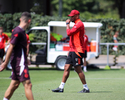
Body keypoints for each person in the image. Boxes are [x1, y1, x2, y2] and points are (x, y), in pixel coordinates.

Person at [52, 10, 90, 93]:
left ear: (77, 16)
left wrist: (67, 25)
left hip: (77, 50)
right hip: (73, 50)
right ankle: (61, 87)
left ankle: (86, 88)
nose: (70, 18)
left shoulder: (79, 24)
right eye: (70, 16)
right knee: (66, 67)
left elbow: (69, 33)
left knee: (78, 69)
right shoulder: (76, 24)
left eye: (72, 16)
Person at [0, 12, 34, 100]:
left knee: (14, 85)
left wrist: (26, 59)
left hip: (20, 62)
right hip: (19, 63)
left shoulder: (22, 31)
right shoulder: (18, 31)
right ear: (29, 21)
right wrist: (5, 63)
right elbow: (11, 46)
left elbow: (21, 49)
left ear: (20, 19)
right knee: (28, 84)